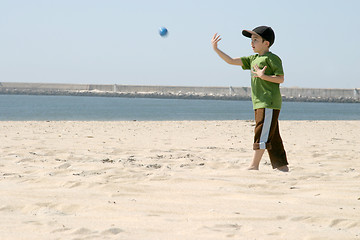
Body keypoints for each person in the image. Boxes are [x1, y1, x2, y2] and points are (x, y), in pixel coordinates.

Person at [211, 26, 289, 172]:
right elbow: (231, 61)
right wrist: (216, 49)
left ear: (266, 43)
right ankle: (282, 167)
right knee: (273, 136)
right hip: (259, 103)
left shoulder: (273, 58)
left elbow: (281, 79)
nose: (251, 43)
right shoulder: (253, 59)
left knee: (261, 132)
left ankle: (254, 166)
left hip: (269, 102)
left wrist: (263, 76)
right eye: (251, 40)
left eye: (255, 40)